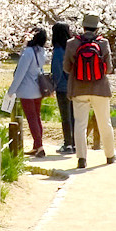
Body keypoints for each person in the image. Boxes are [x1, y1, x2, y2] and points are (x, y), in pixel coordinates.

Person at [63, 14, 116, 169]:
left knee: (80, 124)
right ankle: (110, 155)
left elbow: (66, 68)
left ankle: (81, 158)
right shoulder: (104, 43)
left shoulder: (72, 43)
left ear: (83, 26)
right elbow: (109, 68)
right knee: (104, 122)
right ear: (97, 27)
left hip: (79, 89)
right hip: (100, 89)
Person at [6, 27, 48, 157]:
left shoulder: (28, 52)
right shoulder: (42, 52)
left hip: (27, 91)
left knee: (31, 118)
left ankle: (39, 146)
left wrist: (11, 91)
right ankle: (37, 146)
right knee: (36, 117)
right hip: (38, 89)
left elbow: (20, 73)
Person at [50, 22, 75, 154]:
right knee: (74, 116)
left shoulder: (58, 50)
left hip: (62, 88)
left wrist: (53, 85)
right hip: (75, 87)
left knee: (65, 117)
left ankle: (68, 144)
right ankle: (76, 143)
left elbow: (57, 71)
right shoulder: (72, 48)